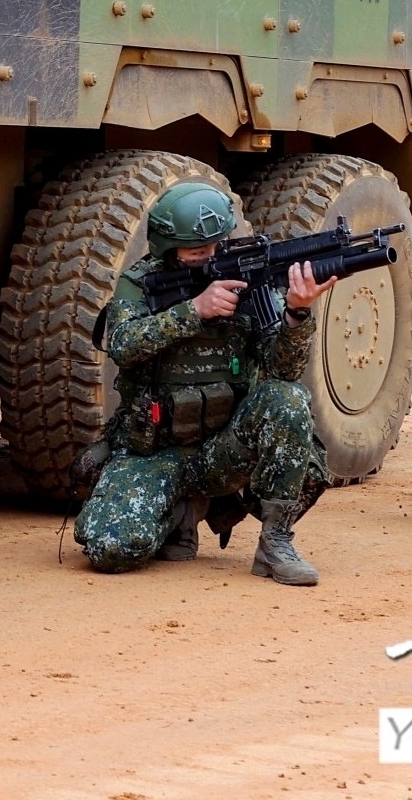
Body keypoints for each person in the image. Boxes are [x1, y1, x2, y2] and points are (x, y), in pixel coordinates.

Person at [72, 181, 335, 583]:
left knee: (289, 402)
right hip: (153, 450)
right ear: (166, 246)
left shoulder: (247, 277)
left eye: (214, 246)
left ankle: (275, 544)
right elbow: (121, 345)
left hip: (223, 449)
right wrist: (193, 311)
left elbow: (283, 370)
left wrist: (297, 314)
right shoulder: (142, 283)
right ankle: (180, 513)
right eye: (195, 251)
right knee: (111, 548)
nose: (208, 256)